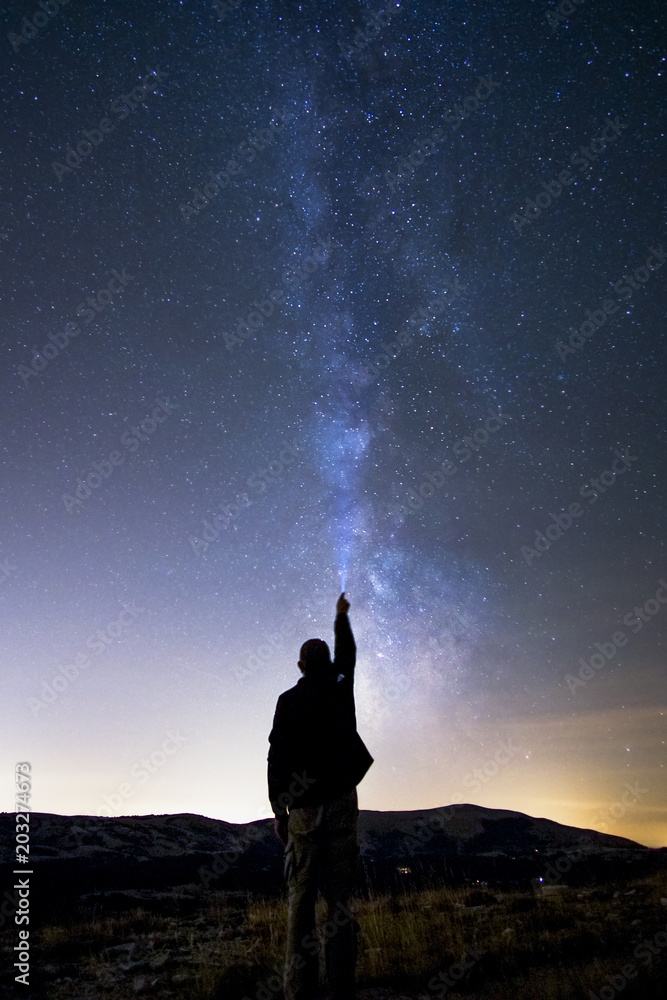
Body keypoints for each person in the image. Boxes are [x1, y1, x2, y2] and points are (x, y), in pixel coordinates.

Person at [267, 591, 374, 1000]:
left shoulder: (288, 702)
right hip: (342, 805)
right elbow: (349, 652)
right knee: (340, 903)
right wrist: (341, 617)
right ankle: (342, 988)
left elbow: (276, 758)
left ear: (299, 666)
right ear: (328, 663)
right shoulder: (340, 686)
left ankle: (300, 990)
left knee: (300, 905)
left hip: (304, 813)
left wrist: (280, 811)